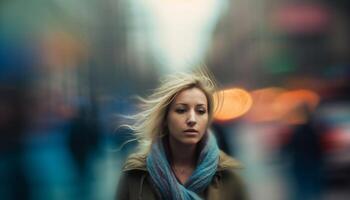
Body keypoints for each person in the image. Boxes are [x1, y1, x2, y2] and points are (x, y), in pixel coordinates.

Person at [116, 69, 247, 200]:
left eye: (200, 111)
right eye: (181, 110)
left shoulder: (228, 177)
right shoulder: (136, 177)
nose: (192, 119)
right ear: (165, 118)